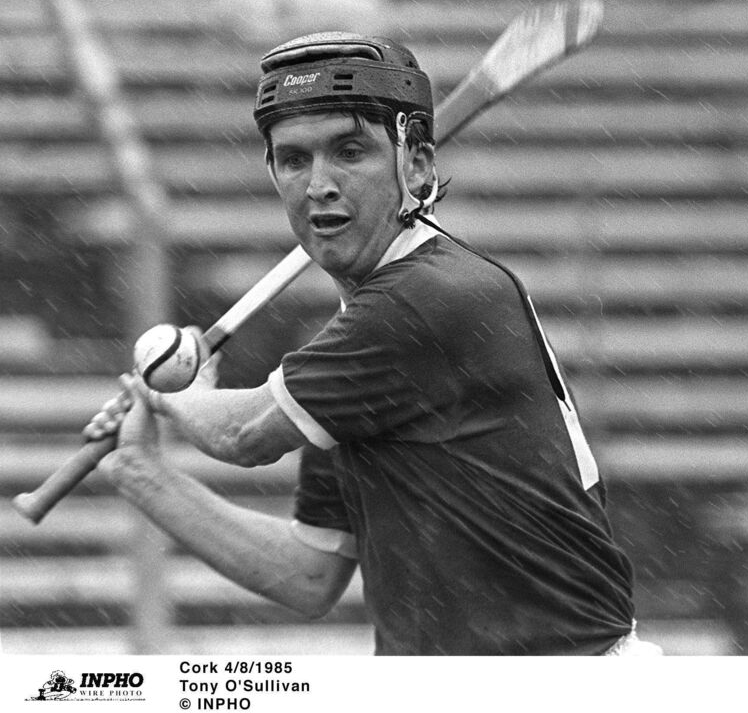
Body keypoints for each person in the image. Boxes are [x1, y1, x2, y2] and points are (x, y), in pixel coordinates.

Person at [87, 32, 660, 656]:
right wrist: (143, 474)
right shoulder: (352, 354)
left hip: (563, 684)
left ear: (416, 165)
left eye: (350, 151)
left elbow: (244, 435)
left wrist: (172, 392)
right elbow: (307, 576)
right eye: (294, 160)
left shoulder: (427, 298)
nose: (319, 185)